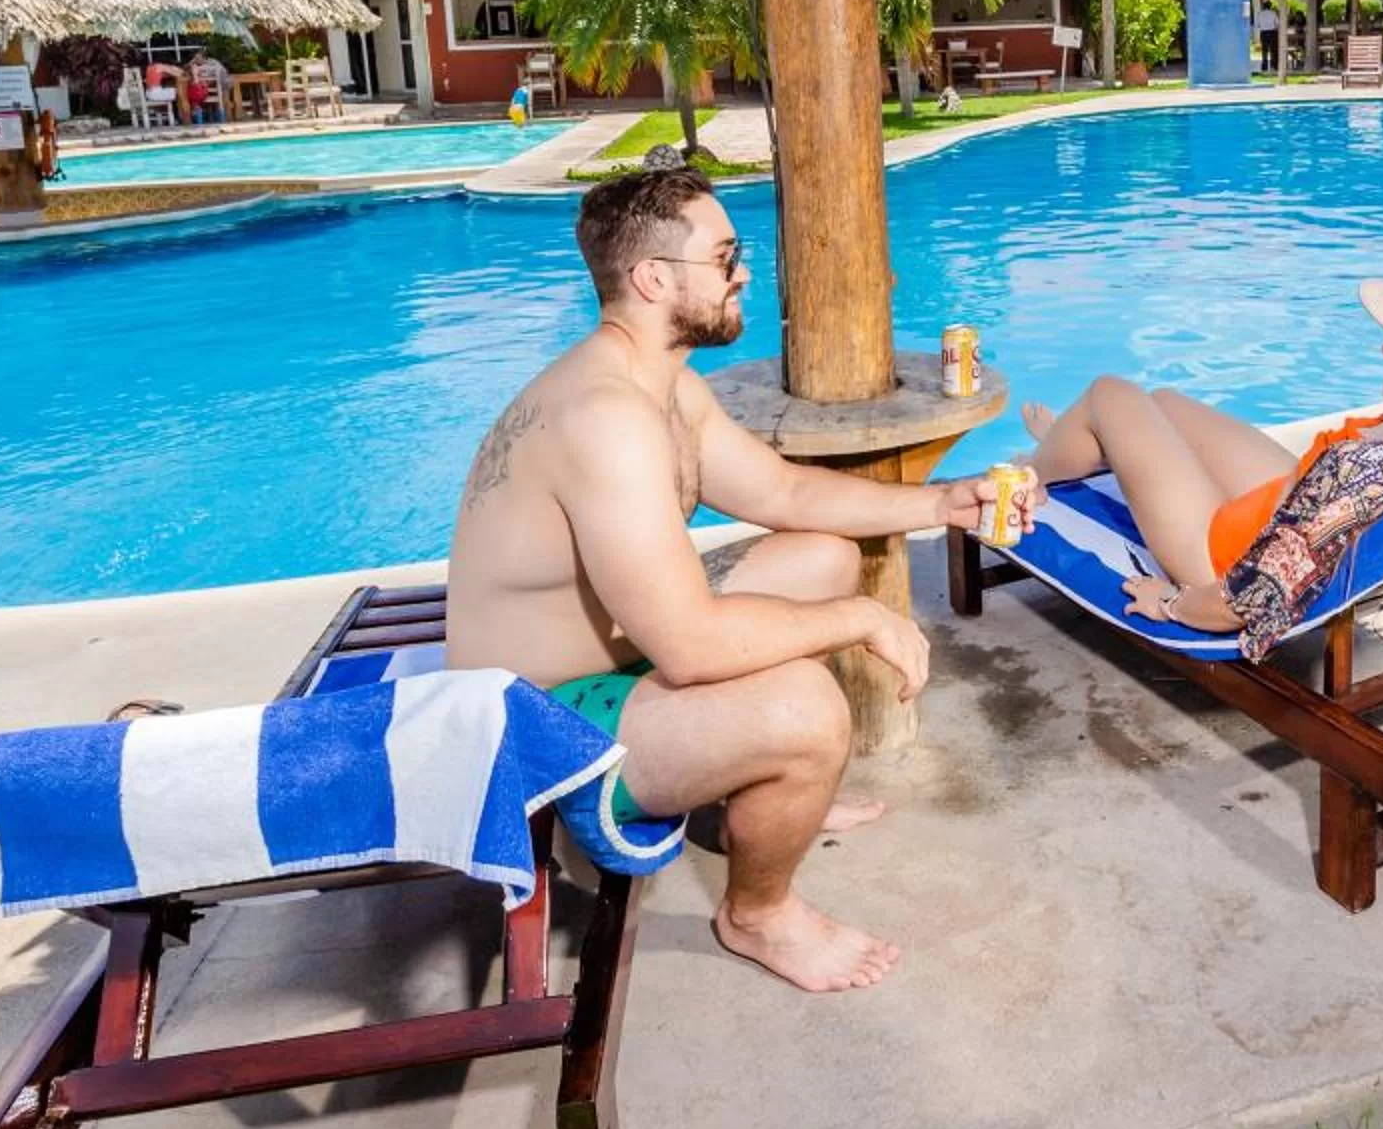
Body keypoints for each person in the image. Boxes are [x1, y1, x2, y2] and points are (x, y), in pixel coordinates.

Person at [444, 168, 1037, 994]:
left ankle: (762, 797)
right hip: (535, 723)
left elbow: (782, 492)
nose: (744, 272)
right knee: (807, 708)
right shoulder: (605, 419)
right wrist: (860, 619)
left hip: (615, 656)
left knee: (822, 551)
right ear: (654, 279)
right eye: (725, 258)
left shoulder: (663, 387)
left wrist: (946, 502)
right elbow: (688, 648)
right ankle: (756, 913)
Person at [1019, 263, 1383, 641]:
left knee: (1111, 394)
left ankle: (1028, 473)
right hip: (1291, 498)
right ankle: (1083, 443)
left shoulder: (1369, 481)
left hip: (1222, 555)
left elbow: (1253, 598)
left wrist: (1172, 603)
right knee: (1161, 403)